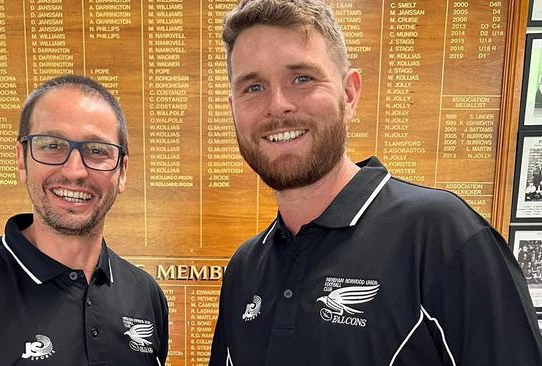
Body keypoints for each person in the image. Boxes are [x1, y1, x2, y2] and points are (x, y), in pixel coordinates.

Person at [209, 1, 542, 365]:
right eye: (253, 87)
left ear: (349, 94)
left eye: (302, 78)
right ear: (233, 109)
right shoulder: (244, 269)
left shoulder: (442, 237)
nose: (278, 104)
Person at [0, 75, 168, 365]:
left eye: (97, 151)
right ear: (22, 159)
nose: (75, 171)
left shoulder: (145, 294)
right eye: (52, 146)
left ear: (121, 172)